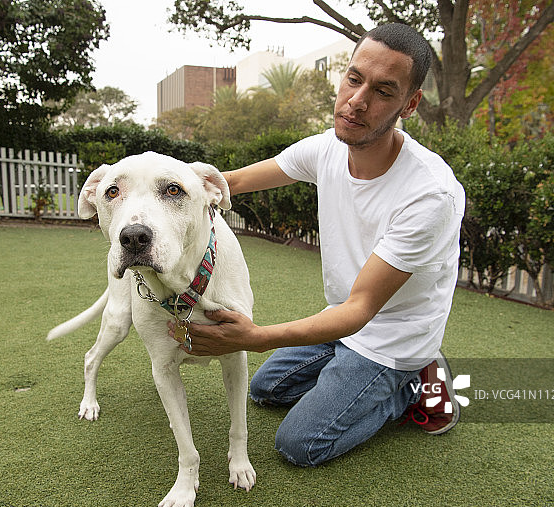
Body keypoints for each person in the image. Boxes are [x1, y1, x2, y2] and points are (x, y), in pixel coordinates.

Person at [172, 23, 466, 467]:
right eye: (354, 79)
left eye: (383, 91)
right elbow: (230, 182)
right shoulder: (328, 147)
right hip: (342, 327)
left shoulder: (430, 196)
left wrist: (253, 338)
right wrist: (153, 186)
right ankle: (349, 376)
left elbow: (361, 308)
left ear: (410, 103)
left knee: (301, 444)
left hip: (390, 340)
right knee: (266, 390)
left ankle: (413, 383)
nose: (358, 101)